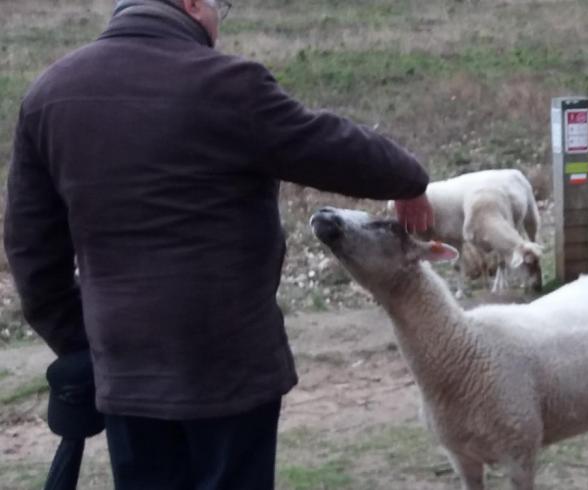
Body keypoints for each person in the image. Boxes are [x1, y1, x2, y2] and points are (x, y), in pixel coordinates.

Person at [3, 0, 435, 488]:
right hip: (230, 366)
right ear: (189, 3)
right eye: (218, 6)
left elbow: (31, 250)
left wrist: (85, 341)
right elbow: (329, 148)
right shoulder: (227, 85)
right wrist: (408, 177)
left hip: (126, 367)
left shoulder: (48, 95)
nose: (218, 23)